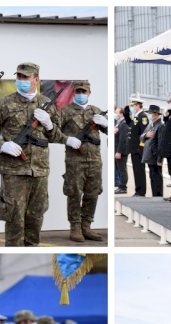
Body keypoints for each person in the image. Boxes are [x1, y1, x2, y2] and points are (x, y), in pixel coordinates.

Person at [0, 63, 74, 246]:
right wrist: (2, 146)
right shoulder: (4, 103)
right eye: (19, 77)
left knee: (36, 216)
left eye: (26, 77)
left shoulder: (46, 104)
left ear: (36, 79)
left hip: (40, 171)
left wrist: (49, 124)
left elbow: (58, 136)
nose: (21, 80)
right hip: (13, 171)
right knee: (14, 218)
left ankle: (32, 248)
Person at [57, 80, 107, 242]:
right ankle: (75, 227)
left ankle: (87, 226)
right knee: (74, 193)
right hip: (75, 160)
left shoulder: (96, 111)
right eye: (78, 92)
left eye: (83, 92)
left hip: (95, 159)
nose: (80, 95)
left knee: (93, 193)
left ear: (89, 93)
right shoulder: (65, 111)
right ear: (73, 93)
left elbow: (110, 131)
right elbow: (53, 132)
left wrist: (106, 124)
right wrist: (68, 140)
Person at [141, 105, 164, 196]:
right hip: (149, 155)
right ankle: (155, 194)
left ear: (156, 114)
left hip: (155, 155)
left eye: (150, 113)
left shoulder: (160, 125)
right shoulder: (151, 125)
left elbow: (161, 143)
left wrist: (159, 159)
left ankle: (158, 194)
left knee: (157, 176)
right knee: (152, 176)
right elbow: (141, 136)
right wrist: (146, 135)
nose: (149, 115)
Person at [127, 94, 148, 197]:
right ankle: (138, 190)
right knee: (136, 170)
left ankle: (141, 191)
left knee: (139, 170)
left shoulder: (143, 116)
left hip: (138, 149)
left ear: (138, 105)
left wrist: (141, 148)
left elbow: (143, 133)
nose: (132, 107)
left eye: (133, 105)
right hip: (134, 148)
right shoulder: (136, 117)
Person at [114, 106, 131, 194]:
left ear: (121, 113)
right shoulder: (119, 123)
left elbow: (123, 139)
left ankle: (123, 187)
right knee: (120, 169)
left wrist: (119, 151)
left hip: (121, 150)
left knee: (122, 169)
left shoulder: (123, 123)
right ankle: (121, 186)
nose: (115, 114)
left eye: (116, 113)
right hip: (117, 149)